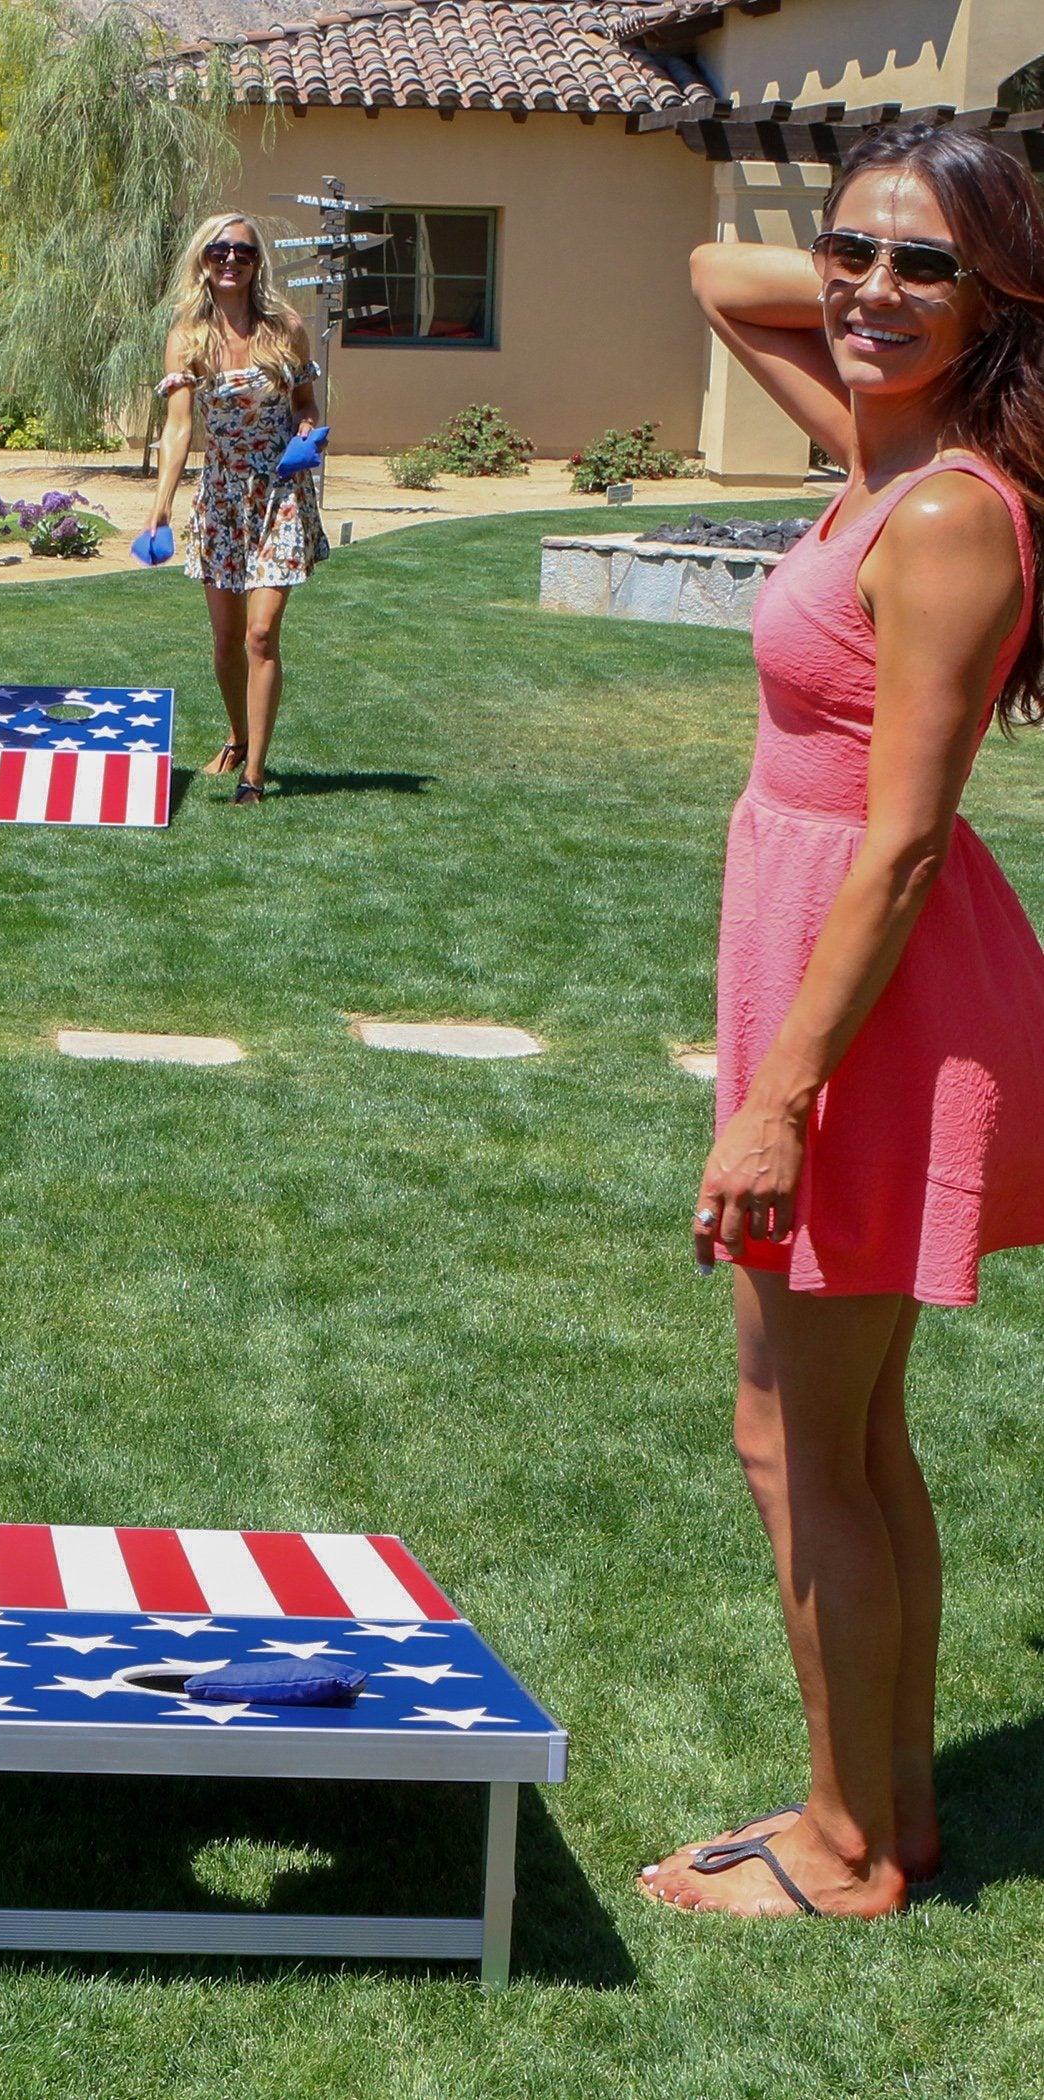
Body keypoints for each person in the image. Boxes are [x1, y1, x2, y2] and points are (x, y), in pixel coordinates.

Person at [641, 123, 1044, 1919]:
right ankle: (890, 1811)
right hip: (831, 973)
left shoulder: (949, 510)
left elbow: (902, 844)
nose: (869, 291)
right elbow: (726, 275)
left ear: (1003, 300)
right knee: (852, 1435)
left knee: (794, 1437)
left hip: (868, 999)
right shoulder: (882, 454)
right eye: (853, 253)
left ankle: (843, 1848)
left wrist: (774, 1102)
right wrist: (887, 262)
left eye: (923, 268)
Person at [141, 214, 328, 804]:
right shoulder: (187, 337)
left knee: (261, 634)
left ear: (257, 262)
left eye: (243, 252)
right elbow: (178, 428)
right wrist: (162, 502)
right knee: (225, 640)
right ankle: (240, 736)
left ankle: (254, 775)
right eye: (219, 251)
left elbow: (306, 403)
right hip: (221, 495)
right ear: (203, 259)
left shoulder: (287, 329)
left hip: (279, 493)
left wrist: (307, 435)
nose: (231, 260)